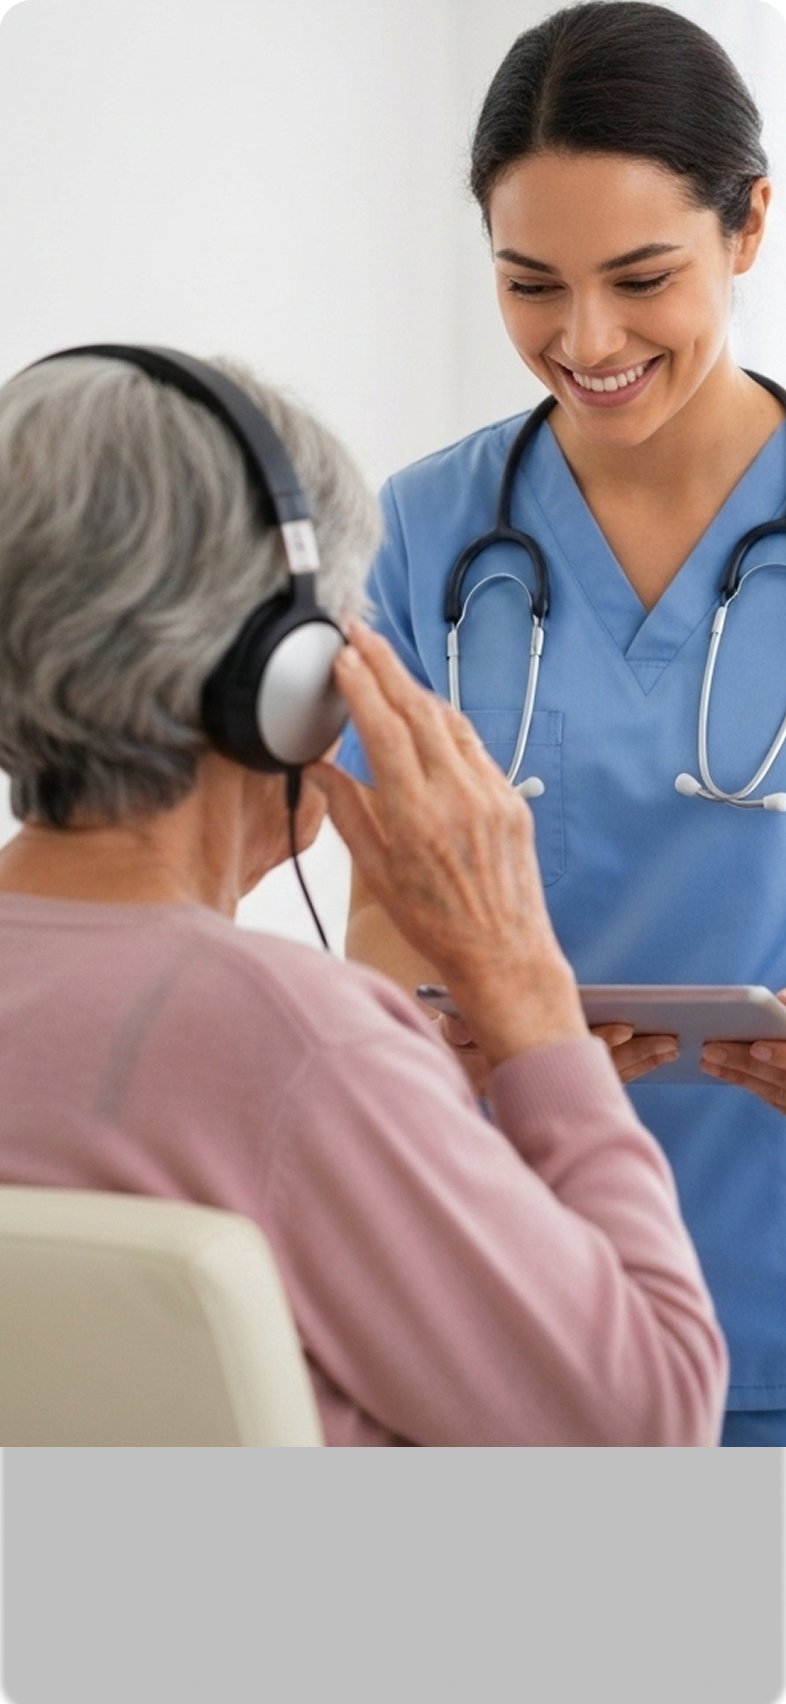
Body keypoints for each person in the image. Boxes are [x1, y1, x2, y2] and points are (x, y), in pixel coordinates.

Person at [0, 347, 725, 1447]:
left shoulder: (320, 1067)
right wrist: (522, 984)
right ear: (279, 678)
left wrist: (406, 1085)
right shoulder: (301, 1048)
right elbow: (649, 1419)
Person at [337, 0, 786, 1448]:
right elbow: (392, 932)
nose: (584, 341)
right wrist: (456, 1046)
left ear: (747, 226)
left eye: (639, 277)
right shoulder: (425, 530)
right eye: (530, 284)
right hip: (520, 1297)